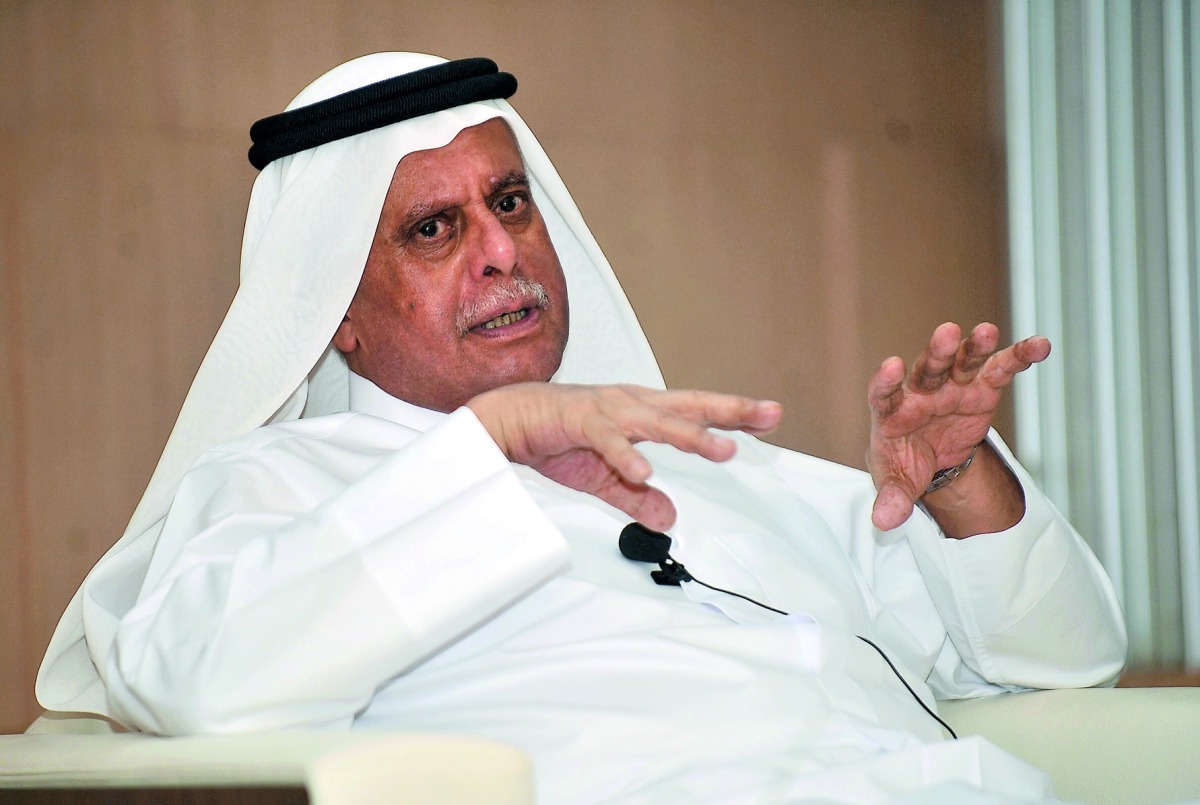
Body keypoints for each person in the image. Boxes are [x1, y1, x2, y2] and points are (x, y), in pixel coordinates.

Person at [36, 53, 1126, 803]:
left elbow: (1060, 666)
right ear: (336, 317)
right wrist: (492, 440)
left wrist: (956, 477)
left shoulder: (710, 457)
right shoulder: (274, 487)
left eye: (508, 203)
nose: (502, 252)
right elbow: (209, 682)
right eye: (433, 229)